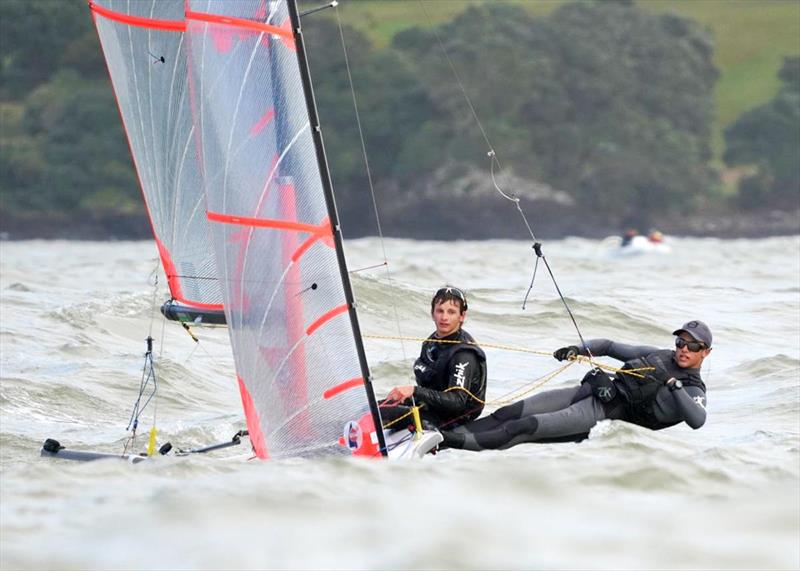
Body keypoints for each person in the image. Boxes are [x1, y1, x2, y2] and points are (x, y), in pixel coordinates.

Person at [440, 320, 712, 451]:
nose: (683, 349)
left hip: (601, 415)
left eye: (692, 345)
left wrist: (674, 385)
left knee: (522, 428)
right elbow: (608, 346)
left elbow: (698, 421)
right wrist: (577, 349)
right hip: (588, 392)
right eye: (680, 342)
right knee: (509, 413)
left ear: (705, 352)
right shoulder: (661, 355)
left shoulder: (692, 388)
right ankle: (442, 433)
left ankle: (445, 442)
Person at [380, 286, 487, 432]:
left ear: (462, 316)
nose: (444, 317)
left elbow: (457, 402)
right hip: (430, 406)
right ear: (432, 314)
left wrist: (414, 391)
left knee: (377, 415)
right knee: (371, 407)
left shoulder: (463, 355)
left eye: (451, 312)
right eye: (440, 311)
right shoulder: (432, 342)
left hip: (452, 418)